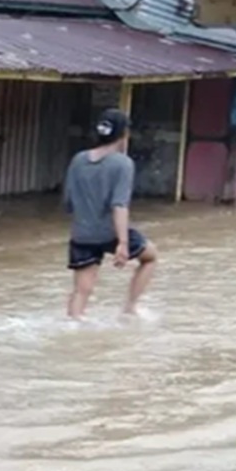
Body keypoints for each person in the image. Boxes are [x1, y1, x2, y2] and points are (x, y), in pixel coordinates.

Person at [63, 108, 158, 319]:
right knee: (150, 256)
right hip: (111, 233)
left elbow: (68, 203)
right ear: (125, 134)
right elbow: (119, 205)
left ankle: (73, 325)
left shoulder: (78, 159)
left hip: (81, 234)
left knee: (81, 291)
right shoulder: (123, 163)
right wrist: (122, 243)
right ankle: (130, 308)